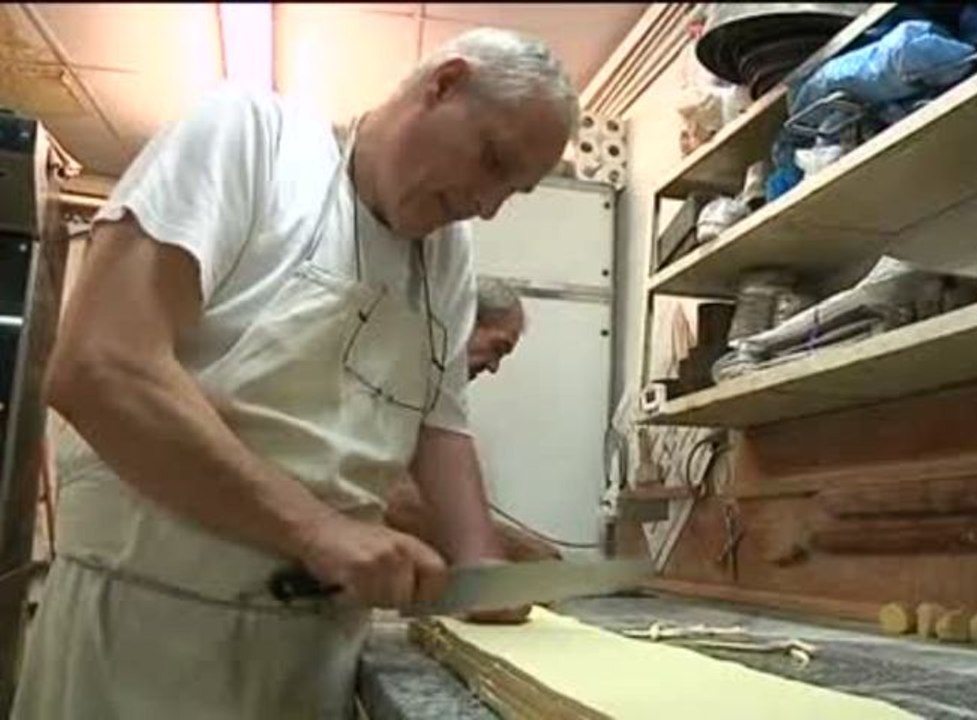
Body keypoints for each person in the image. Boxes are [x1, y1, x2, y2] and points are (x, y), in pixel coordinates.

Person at [15, 27, 577, 719]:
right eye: (492, 161)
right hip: (143, 635)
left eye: (513, 191)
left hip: (314, 658)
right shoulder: (250, 138)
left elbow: (440, 425)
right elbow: (99, 367)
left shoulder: (447, 253)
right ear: (443, 84)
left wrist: (477, 561)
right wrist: (318, 531)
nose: (488, 204)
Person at [386, 276, 561, 563]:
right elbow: (393, 501)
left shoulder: (434, 393)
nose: (493, 367)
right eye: (498, 348)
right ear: (464, 319)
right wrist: (515, 548)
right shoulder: (393, 374)